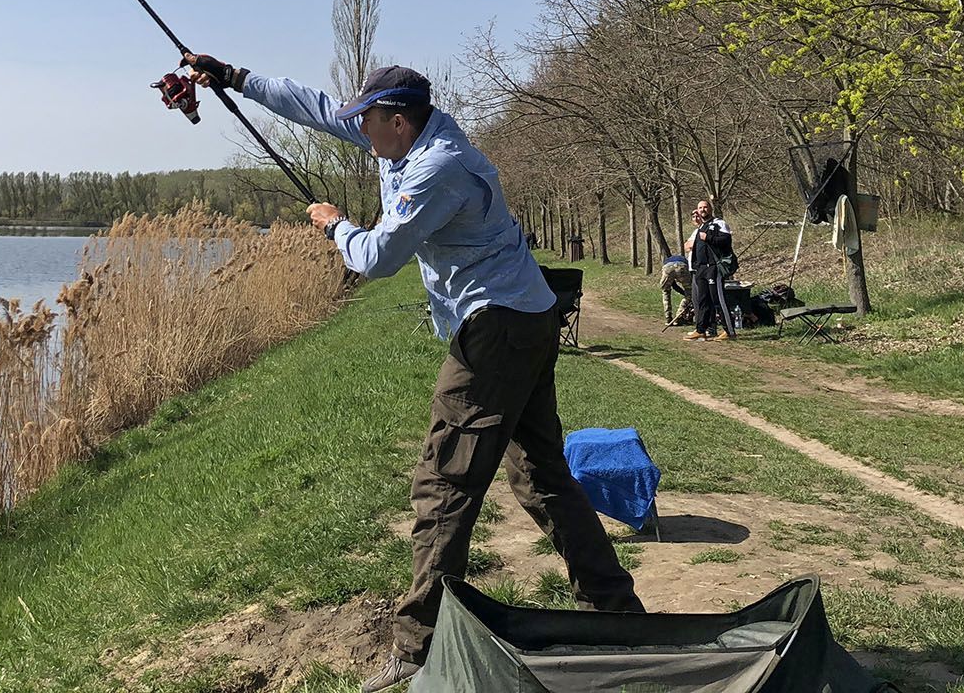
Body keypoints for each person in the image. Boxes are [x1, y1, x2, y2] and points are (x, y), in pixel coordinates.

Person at [183, 54, 642, 692]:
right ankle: (616, 612)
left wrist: (333, 223)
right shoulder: (404, 137)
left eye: (366, 121)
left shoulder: (437, 169)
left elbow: (377, 259)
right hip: (525, 315)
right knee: (541, 475)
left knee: (444, 481)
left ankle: (420, 646)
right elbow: (313, 105)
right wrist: (232, 77)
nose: (357, 131)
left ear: (397, 120)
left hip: (498, 328)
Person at [684, 200, 736, 341]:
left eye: (705, 207)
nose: (702, 210)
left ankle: (729, 331)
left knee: (718, 299)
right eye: (700, 208)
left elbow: (726, 240)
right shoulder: (701, 227)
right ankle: (701, 330)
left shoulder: (719, 223)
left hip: (713, 268)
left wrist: (709, 238)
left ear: (710, 209)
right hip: (700, 269)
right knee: (703, 300)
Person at [658, 241, 694, 325]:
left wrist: (682, 292)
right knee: (690, 292)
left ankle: (668, 317)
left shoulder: (667, 260)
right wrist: (685, 293)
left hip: (668, 268)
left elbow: (673, 285)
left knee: (665, 291)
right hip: (682, 267)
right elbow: (677, 285)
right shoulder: (685, 260)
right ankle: (678, 316)